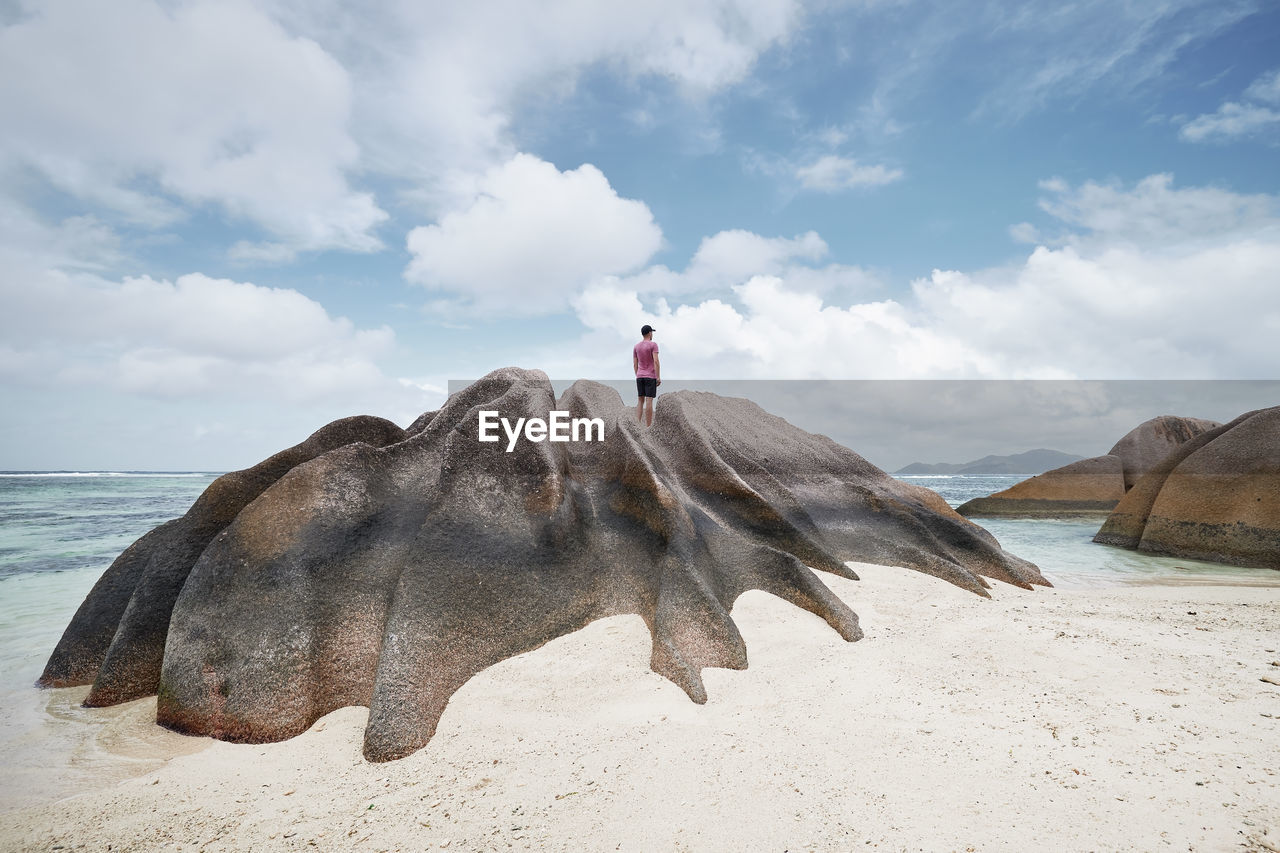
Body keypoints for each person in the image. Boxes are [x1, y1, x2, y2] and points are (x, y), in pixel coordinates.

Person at [632, 324, 660, 426]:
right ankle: (648, 426)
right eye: (651, 332)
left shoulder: (636, 347)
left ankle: (637, 424)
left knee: (640, 400)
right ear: (649, 333)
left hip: (640, 376)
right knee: (649, 400)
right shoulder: (653, 345)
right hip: (650, 376)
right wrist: (658, 377)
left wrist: (638, 374)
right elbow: (656, 361)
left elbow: (635, 364)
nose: (652, 334)